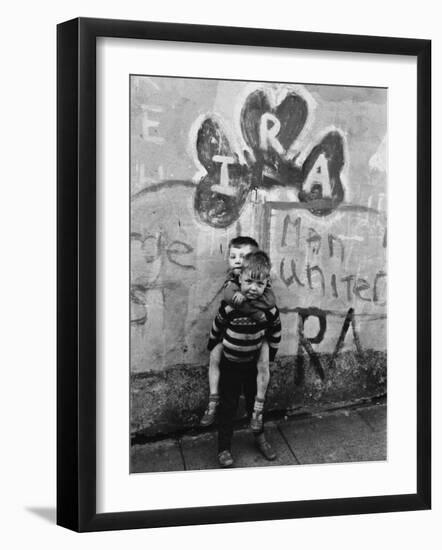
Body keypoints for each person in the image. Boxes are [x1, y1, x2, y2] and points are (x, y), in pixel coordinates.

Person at [207, 251, 282, 467]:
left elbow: (275, 333)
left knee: (255, 405)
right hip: (230, 363)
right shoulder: (230, 306)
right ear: (240, 278)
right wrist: (212, 344)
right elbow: (218, 324)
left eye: (259, 283)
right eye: (248, 281)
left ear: (267, 283)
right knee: (228, 406)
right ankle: (223, 448)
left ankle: (260, 438)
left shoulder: (270, 310)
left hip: (252, 364)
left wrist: (272, 355)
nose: (253, 288)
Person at [200, 236, 276, 434]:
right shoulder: (231, 285)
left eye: (242, 257)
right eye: (232, 256)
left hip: (256, 344)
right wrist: (253, 311)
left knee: (260, 376)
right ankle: (213, 400)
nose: (236, 260)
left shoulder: (260, 284)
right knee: (217, 363)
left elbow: (270, 303)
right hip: (232, 344)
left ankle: (259, 430)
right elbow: (227, 302)